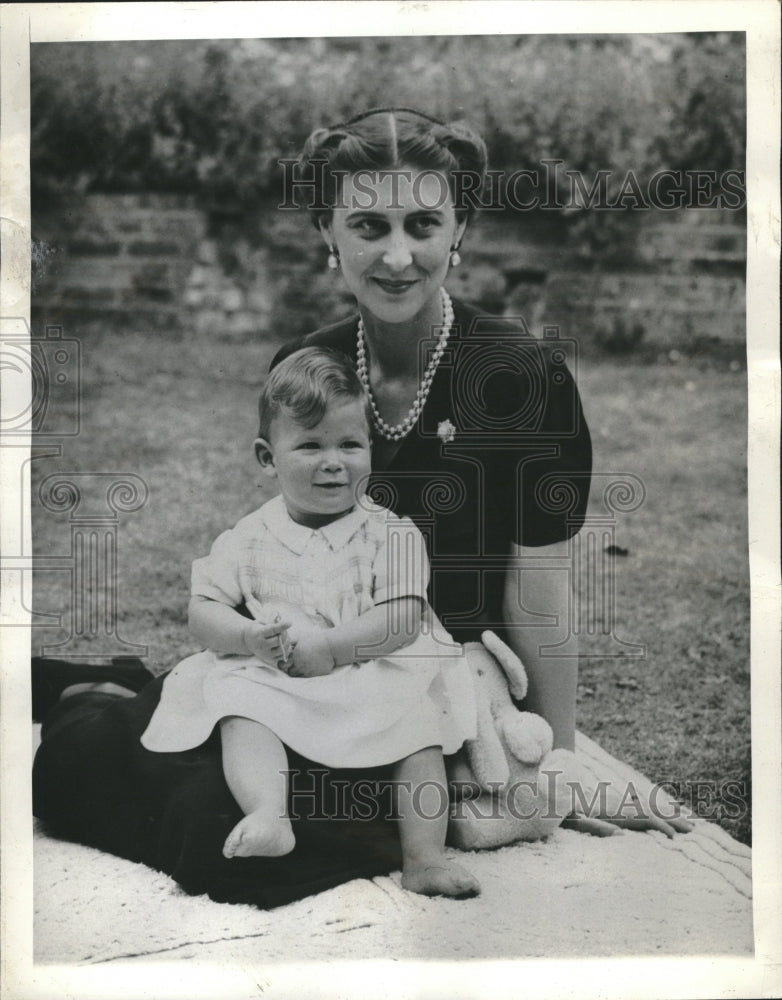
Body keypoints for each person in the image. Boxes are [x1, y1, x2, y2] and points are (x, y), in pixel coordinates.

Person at [33, 107, 689, 912]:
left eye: (424, 223)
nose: (397, 254)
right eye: (368, 224)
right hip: (321, 665)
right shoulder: (306, 366)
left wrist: (557, 758)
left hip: (444, 679)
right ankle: (101, 696)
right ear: (326, 231)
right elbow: (297, 541)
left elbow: (539, 586)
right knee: (80, 771)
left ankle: (115, 702)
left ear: (461, 231)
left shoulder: (522, 376)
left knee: (229, 831)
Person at [139, 347, 480, 897]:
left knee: (421, 729)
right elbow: (203, 612)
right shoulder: (248, 536)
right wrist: (248, 637)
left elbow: (402, 619)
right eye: (310, 445)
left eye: (350, 444)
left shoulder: (391, 534)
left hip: (371, 666)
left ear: (370, 449)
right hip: (285, 671)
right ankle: (270, 813)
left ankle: (424, 857)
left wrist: (336, 647)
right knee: (239, 705)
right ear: (267, 457)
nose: (333, 461)